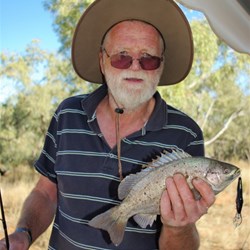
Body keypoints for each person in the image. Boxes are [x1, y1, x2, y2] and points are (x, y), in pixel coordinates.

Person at [0, 0, 216, 249]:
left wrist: (179, 226)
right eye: (122, 57)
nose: (135, 66)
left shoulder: (186, 133)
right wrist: (24, 234)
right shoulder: (67, 114)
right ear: (102, 60)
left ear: (161, 66)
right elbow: (46, 192)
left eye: (148, 59)